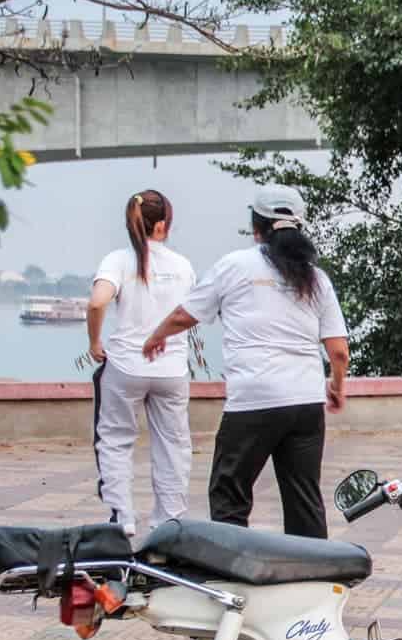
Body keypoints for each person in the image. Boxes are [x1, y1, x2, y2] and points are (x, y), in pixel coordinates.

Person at [142, 184, 347, 539]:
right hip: (305, 402)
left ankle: (233, 572)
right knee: (304, 498)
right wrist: (336, 386)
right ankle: (313, 577)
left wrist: (156, 336)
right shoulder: (316, 278)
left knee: (229, 492)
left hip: (254, 400)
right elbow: (339, 350)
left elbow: (185, 315)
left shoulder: (235, 265)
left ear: (256, 227)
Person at [86, 189, 197, 537]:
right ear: (163, 225)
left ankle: (123, 518)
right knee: (174, 444)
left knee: (116, 440)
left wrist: (94, 342)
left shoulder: (118, 260)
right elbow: (192, 312)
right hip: (172, 370)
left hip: (125, 367)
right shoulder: (183, 265)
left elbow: (96, 302)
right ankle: (169, 522)